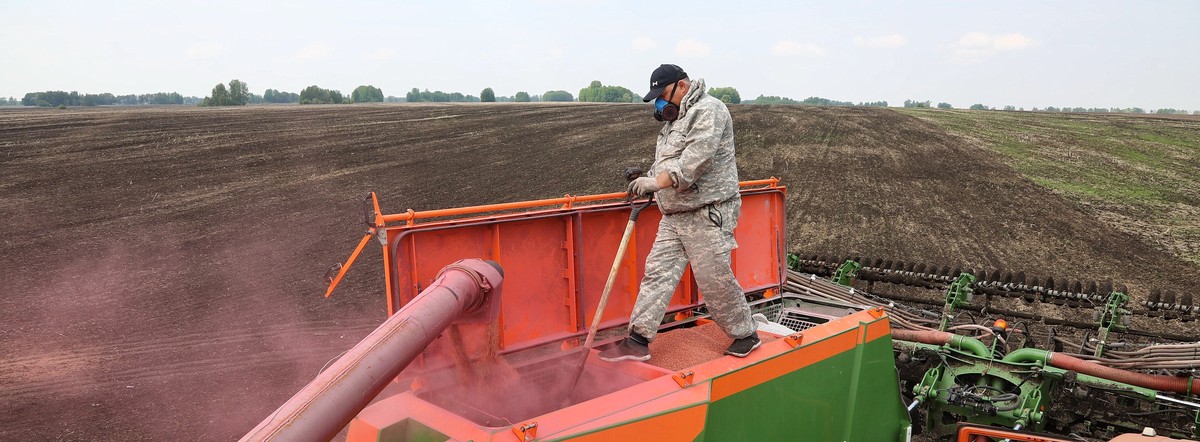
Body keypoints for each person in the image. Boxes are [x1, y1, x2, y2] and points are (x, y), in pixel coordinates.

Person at [598, 64, 759, 362]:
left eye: (662, 96)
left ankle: (745, 333)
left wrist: (656, 182)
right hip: (674, 214)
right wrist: (646, 178)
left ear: (682, 87)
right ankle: (638, 340)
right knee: (657, 273)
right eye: (656, 99)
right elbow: (668, 163)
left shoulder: (709, 111)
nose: (660, 104)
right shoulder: (673, 122)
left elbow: (692, 163)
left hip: (707, 212)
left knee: (714, 281)